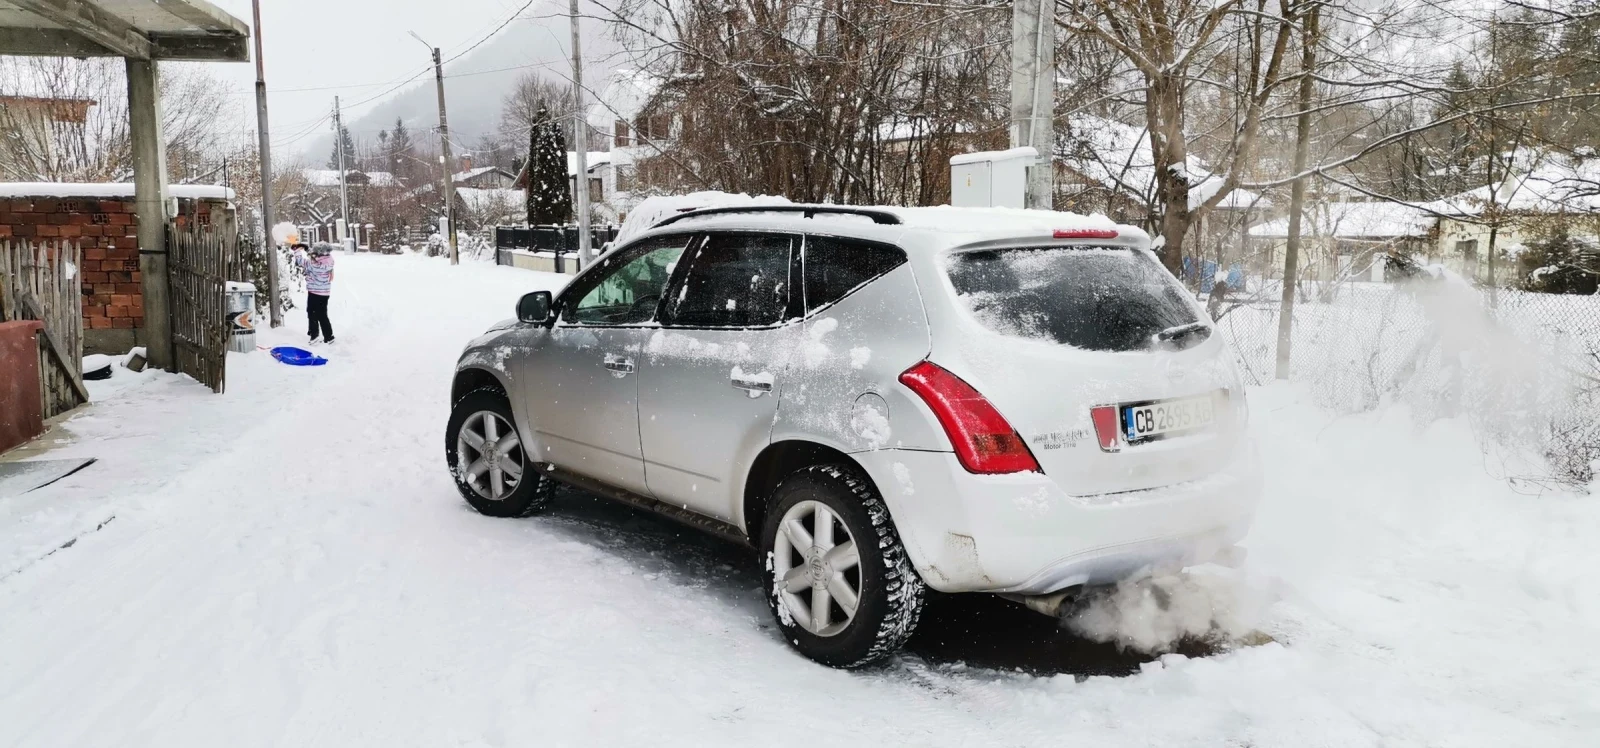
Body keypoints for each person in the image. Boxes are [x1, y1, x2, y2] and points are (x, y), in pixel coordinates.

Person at [293, 241, 336, 344]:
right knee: (322, 314)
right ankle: (329, 336)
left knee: (312, 313)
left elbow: (300, 261)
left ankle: (314, 335)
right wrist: (308, 250)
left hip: (314, 292)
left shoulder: (313, 265)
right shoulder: (329, 261)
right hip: (325, 293)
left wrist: (297, 251)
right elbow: (315, 257)